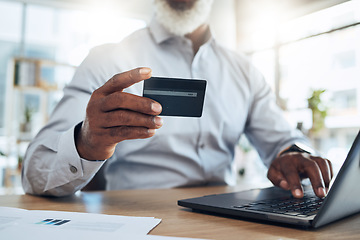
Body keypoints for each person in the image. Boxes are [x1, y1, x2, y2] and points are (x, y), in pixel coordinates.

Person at [22, 0, 333, 198]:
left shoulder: (244, 70)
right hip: (137, 222)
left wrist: (295, 155)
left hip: (228, 222)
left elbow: (283, 140)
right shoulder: (106, 61)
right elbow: (35, 174)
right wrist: (86, 143)